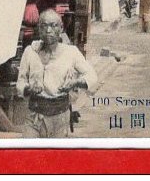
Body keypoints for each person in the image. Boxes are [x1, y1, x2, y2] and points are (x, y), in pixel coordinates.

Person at [16, 10, 98, 138]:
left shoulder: (71, 52)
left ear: (61, 28)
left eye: (53, 25)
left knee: (53, 156)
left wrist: (75, 82)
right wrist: (29, 89)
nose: (48, 30)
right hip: (34, 117)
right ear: (39, 28)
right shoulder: (30, 52)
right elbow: (20, 83)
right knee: (28, 154)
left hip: (60, 117)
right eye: (44, 25)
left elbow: (92, 76)